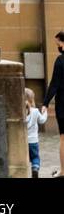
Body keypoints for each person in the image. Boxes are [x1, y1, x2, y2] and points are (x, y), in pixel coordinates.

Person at [44, 30, 64, 175]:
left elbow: (54, 84)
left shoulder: (60, 61)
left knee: (63, 139)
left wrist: (45, 103)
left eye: (58, 43)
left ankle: (63, 171)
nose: (58, 46)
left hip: (63, 105)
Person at [26, 88, 48, 178]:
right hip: (33, 141)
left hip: (22, 142)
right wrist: (45, 112)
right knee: (35, 157)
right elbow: (42, 120)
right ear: (32, 99)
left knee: (25, 158)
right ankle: (35, 168)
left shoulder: (19, 112)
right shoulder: (35, 111)